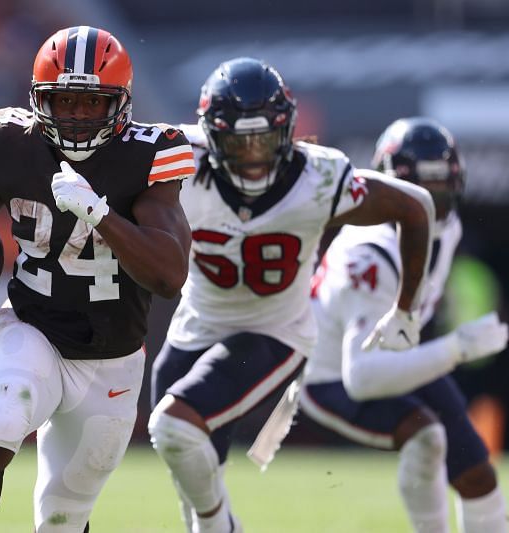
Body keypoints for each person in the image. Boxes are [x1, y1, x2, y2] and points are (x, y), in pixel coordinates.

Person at [0, 26, 195, 532]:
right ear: (40, 99)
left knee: (63, 518)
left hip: (112, 357)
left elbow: (169, 276)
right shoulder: (10, 142)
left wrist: (99, 214)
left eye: (92, 104)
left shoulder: (150, 154)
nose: (78, 117)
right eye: (64, 101)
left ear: (121, 103)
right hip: (32, 324)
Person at [147, 57, 436, 533]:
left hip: (273, 329)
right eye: (239, 143)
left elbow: (415, 204)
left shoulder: (319, 179)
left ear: (286, 132)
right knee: (191, 472)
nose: (254, 155)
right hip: (196, 323)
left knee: (172, 427)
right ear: (211, 135)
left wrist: (405, 310)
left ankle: (224, 525)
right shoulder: (179, 156)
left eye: (263, 140)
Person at [300, 117, 508, 533]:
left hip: (396, 353)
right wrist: (459, 348)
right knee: (427, 437)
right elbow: (361, 377)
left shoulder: (448, 229)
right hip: (329, 378)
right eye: (418, 194)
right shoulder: (367, 254)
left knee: (478, 474)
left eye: (440, 193)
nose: (428, 208)